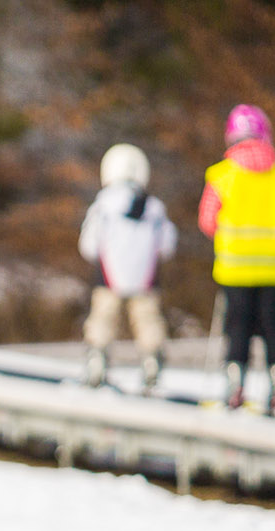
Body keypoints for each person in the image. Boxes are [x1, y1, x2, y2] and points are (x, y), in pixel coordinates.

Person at [199, 104, 275, 413]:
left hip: (235, 268)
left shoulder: (221, 176)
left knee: (237, 327)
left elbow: (208, 221)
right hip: (274, 268)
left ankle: (235, 383)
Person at [78, 143, 177, 392]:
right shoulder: (154, 207)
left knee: (102, 318)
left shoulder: (103, 205)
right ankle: (152, 362)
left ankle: (96, 361)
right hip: (145, 278)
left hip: (108, 277)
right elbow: (167, 245)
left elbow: (89, 245)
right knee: (148, 320)